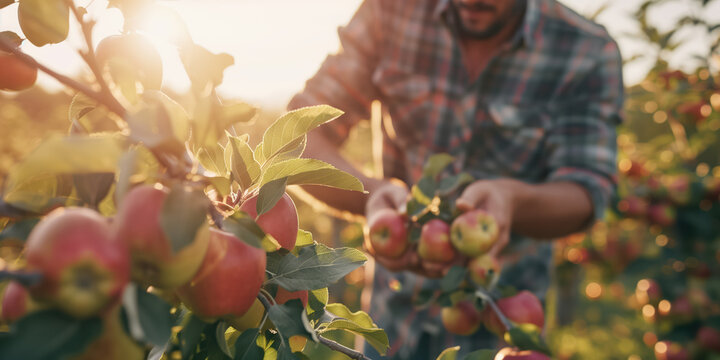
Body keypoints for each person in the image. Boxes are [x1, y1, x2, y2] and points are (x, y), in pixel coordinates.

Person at [288, 0, 623, 358]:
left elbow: (588, 189)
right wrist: (372, 196)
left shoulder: (584, 50)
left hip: (502, 322)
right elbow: (299, 136)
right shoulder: (390, 12)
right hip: (393, 317)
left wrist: (512, 201)